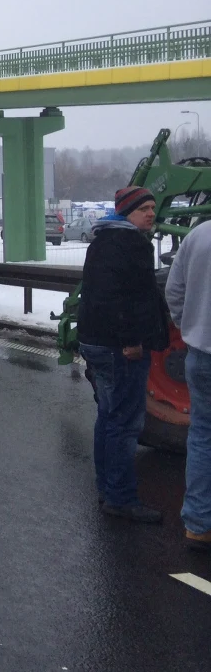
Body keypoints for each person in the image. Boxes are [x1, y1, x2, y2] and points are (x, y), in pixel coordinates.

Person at [78, 186, 168, 523]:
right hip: (120, 348)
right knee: (125, 423)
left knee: (108, 417)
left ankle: (107, 487)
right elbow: (118, 299)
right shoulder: (129, 244)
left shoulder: (103, 240)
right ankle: (120, 498)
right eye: (143, 208)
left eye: (152, 207)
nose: (150, 213)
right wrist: (131, 340)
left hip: (97, 341)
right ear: (126, 212)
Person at [166, 219, 211, 550]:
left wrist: (188, 325)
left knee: (202, 437)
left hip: (201, 355)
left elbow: (174, 290)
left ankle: (198, 524)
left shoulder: (198, 235)